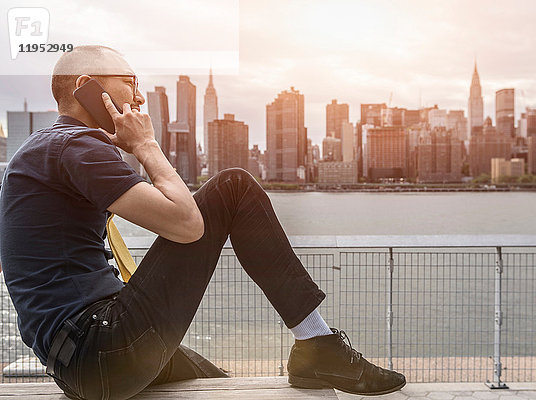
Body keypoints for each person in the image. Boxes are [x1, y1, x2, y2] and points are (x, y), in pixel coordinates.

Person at [0, 45, 405, 399]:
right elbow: (186, 223)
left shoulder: (46, 149)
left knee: (218, 383)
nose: (139, 97)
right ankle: (318, 345)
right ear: (87, 86)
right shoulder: (75, 146)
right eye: (130, 81)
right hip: (100, 347)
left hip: (80, 364)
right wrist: (146, 145)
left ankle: (315, 350)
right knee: (234, 188)